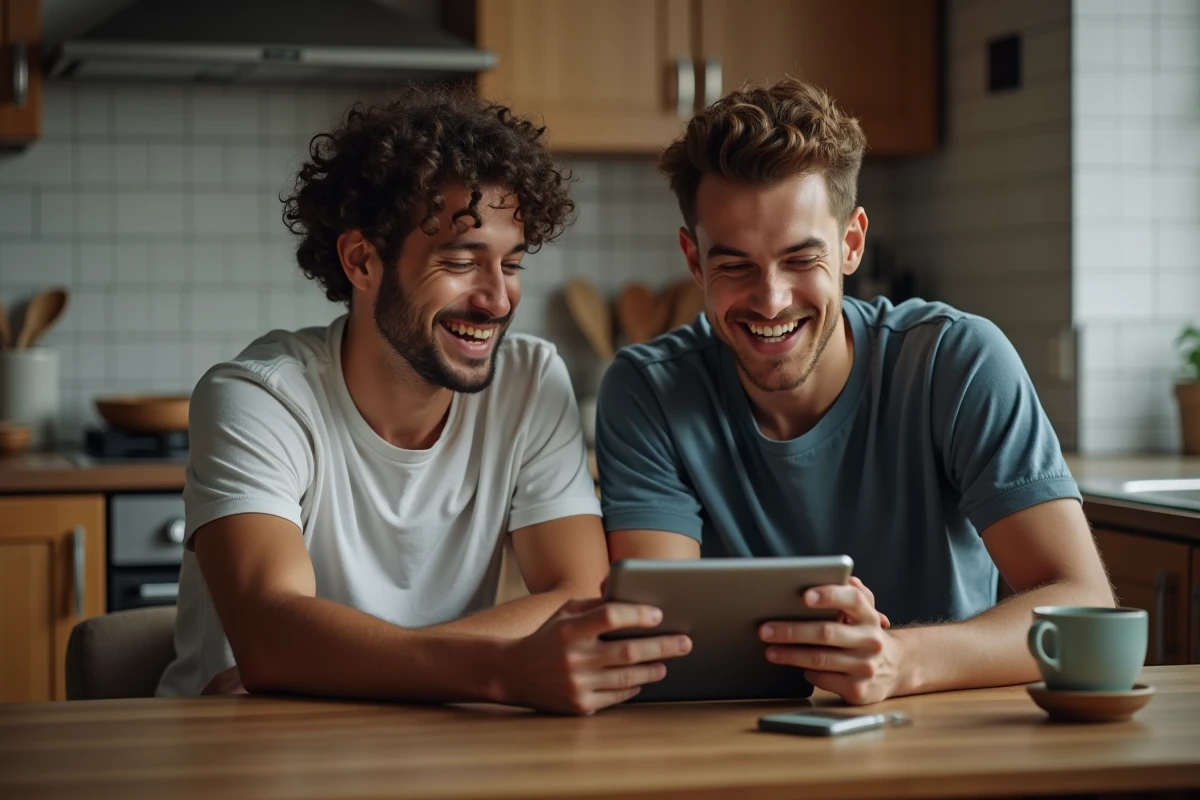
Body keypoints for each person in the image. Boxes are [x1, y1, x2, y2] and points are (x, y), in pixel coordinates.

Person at [156, 85, 691, 714]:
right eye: (462, 262)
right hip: (240, 746)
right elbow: (274, 632)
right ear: (362, 260)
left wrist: (325, 667)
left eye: (511, 265)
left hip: (431, 739)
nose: (497, 300)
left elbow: (581, 596)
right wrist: (498, 668)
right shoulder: (258, 398)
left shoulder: (529, 382)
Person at [595, 78, 1114, 706]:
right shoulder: (647, 391)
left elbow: (1082, 601)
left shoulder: (956, 362)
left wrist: (901, 661)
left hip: (944, 736)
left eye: (800, 260)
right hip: (731, 736)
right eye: (734, 265)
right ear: (693, 259)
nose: (771, 300)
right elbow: (657, 640)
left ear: (851, 244)